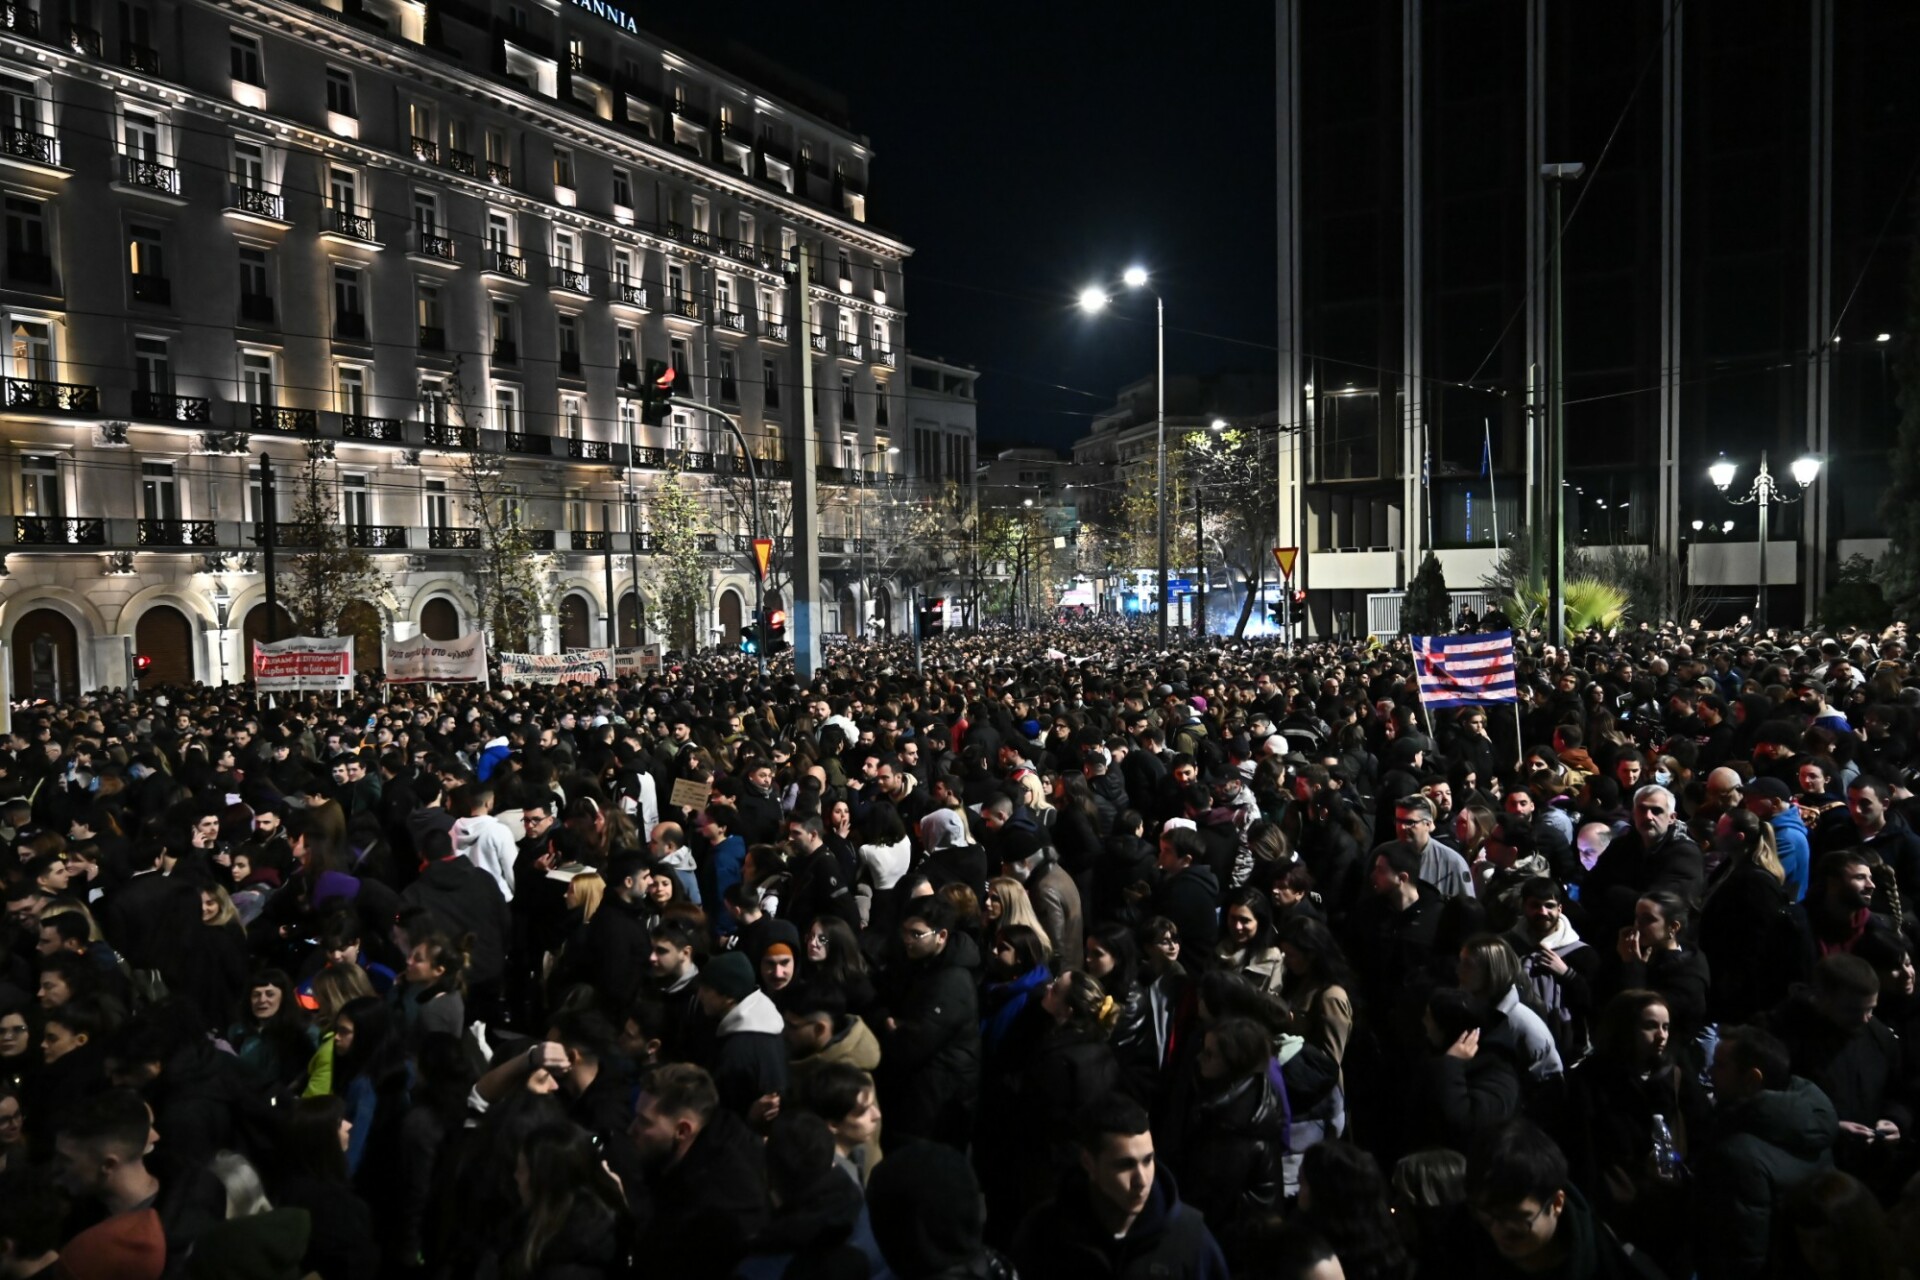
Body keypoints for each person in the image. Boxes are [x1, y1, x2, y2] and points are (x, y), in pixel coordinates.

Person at [1012, 1092, 1229, 1278]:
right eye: (1125, 1165)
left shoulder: (1190, 1238)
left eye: (1148, 1160)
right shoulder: (1043, 1234)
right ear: (1088, 1163)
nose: (1141, 1180)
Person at [1697, 1024, 1838, 1280]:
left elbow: (1741, 1257)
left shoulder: (1738, 1155)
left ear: (1752, 1079)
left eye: (1719, 1065)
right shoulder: (1809, 1124)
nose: (1709, 1072)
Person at [1464, 1117, 1662, 1279]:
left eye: (1515, 1218)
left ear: (1557, 1203)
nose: (1497, 1232)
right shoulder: (1460, 1250)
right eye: (1487, 1216)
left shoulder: (1615, 1267)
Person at [629, 1063, 769, 1280]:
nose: (632, 1129)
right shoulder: (707, 1144)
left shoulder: (711, 1205)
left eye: (644, 1122)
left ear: (682, 1130)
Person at [875, 897, 980, 1148]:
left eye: (917, 934)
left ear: (941, 936)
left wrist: (895, 1030)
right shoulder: (924, 965)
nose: (907, 940)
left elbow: (915, 1043)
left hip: (937, 1104)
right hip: (923, 1095)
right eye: (905, 932)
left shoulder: (952, 981)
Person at [697, 951, 787, 1119]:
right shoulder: (768, 1025)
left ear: (728, 997)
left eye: (707, 989)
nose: (700, 995)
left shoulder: (737, 1052)